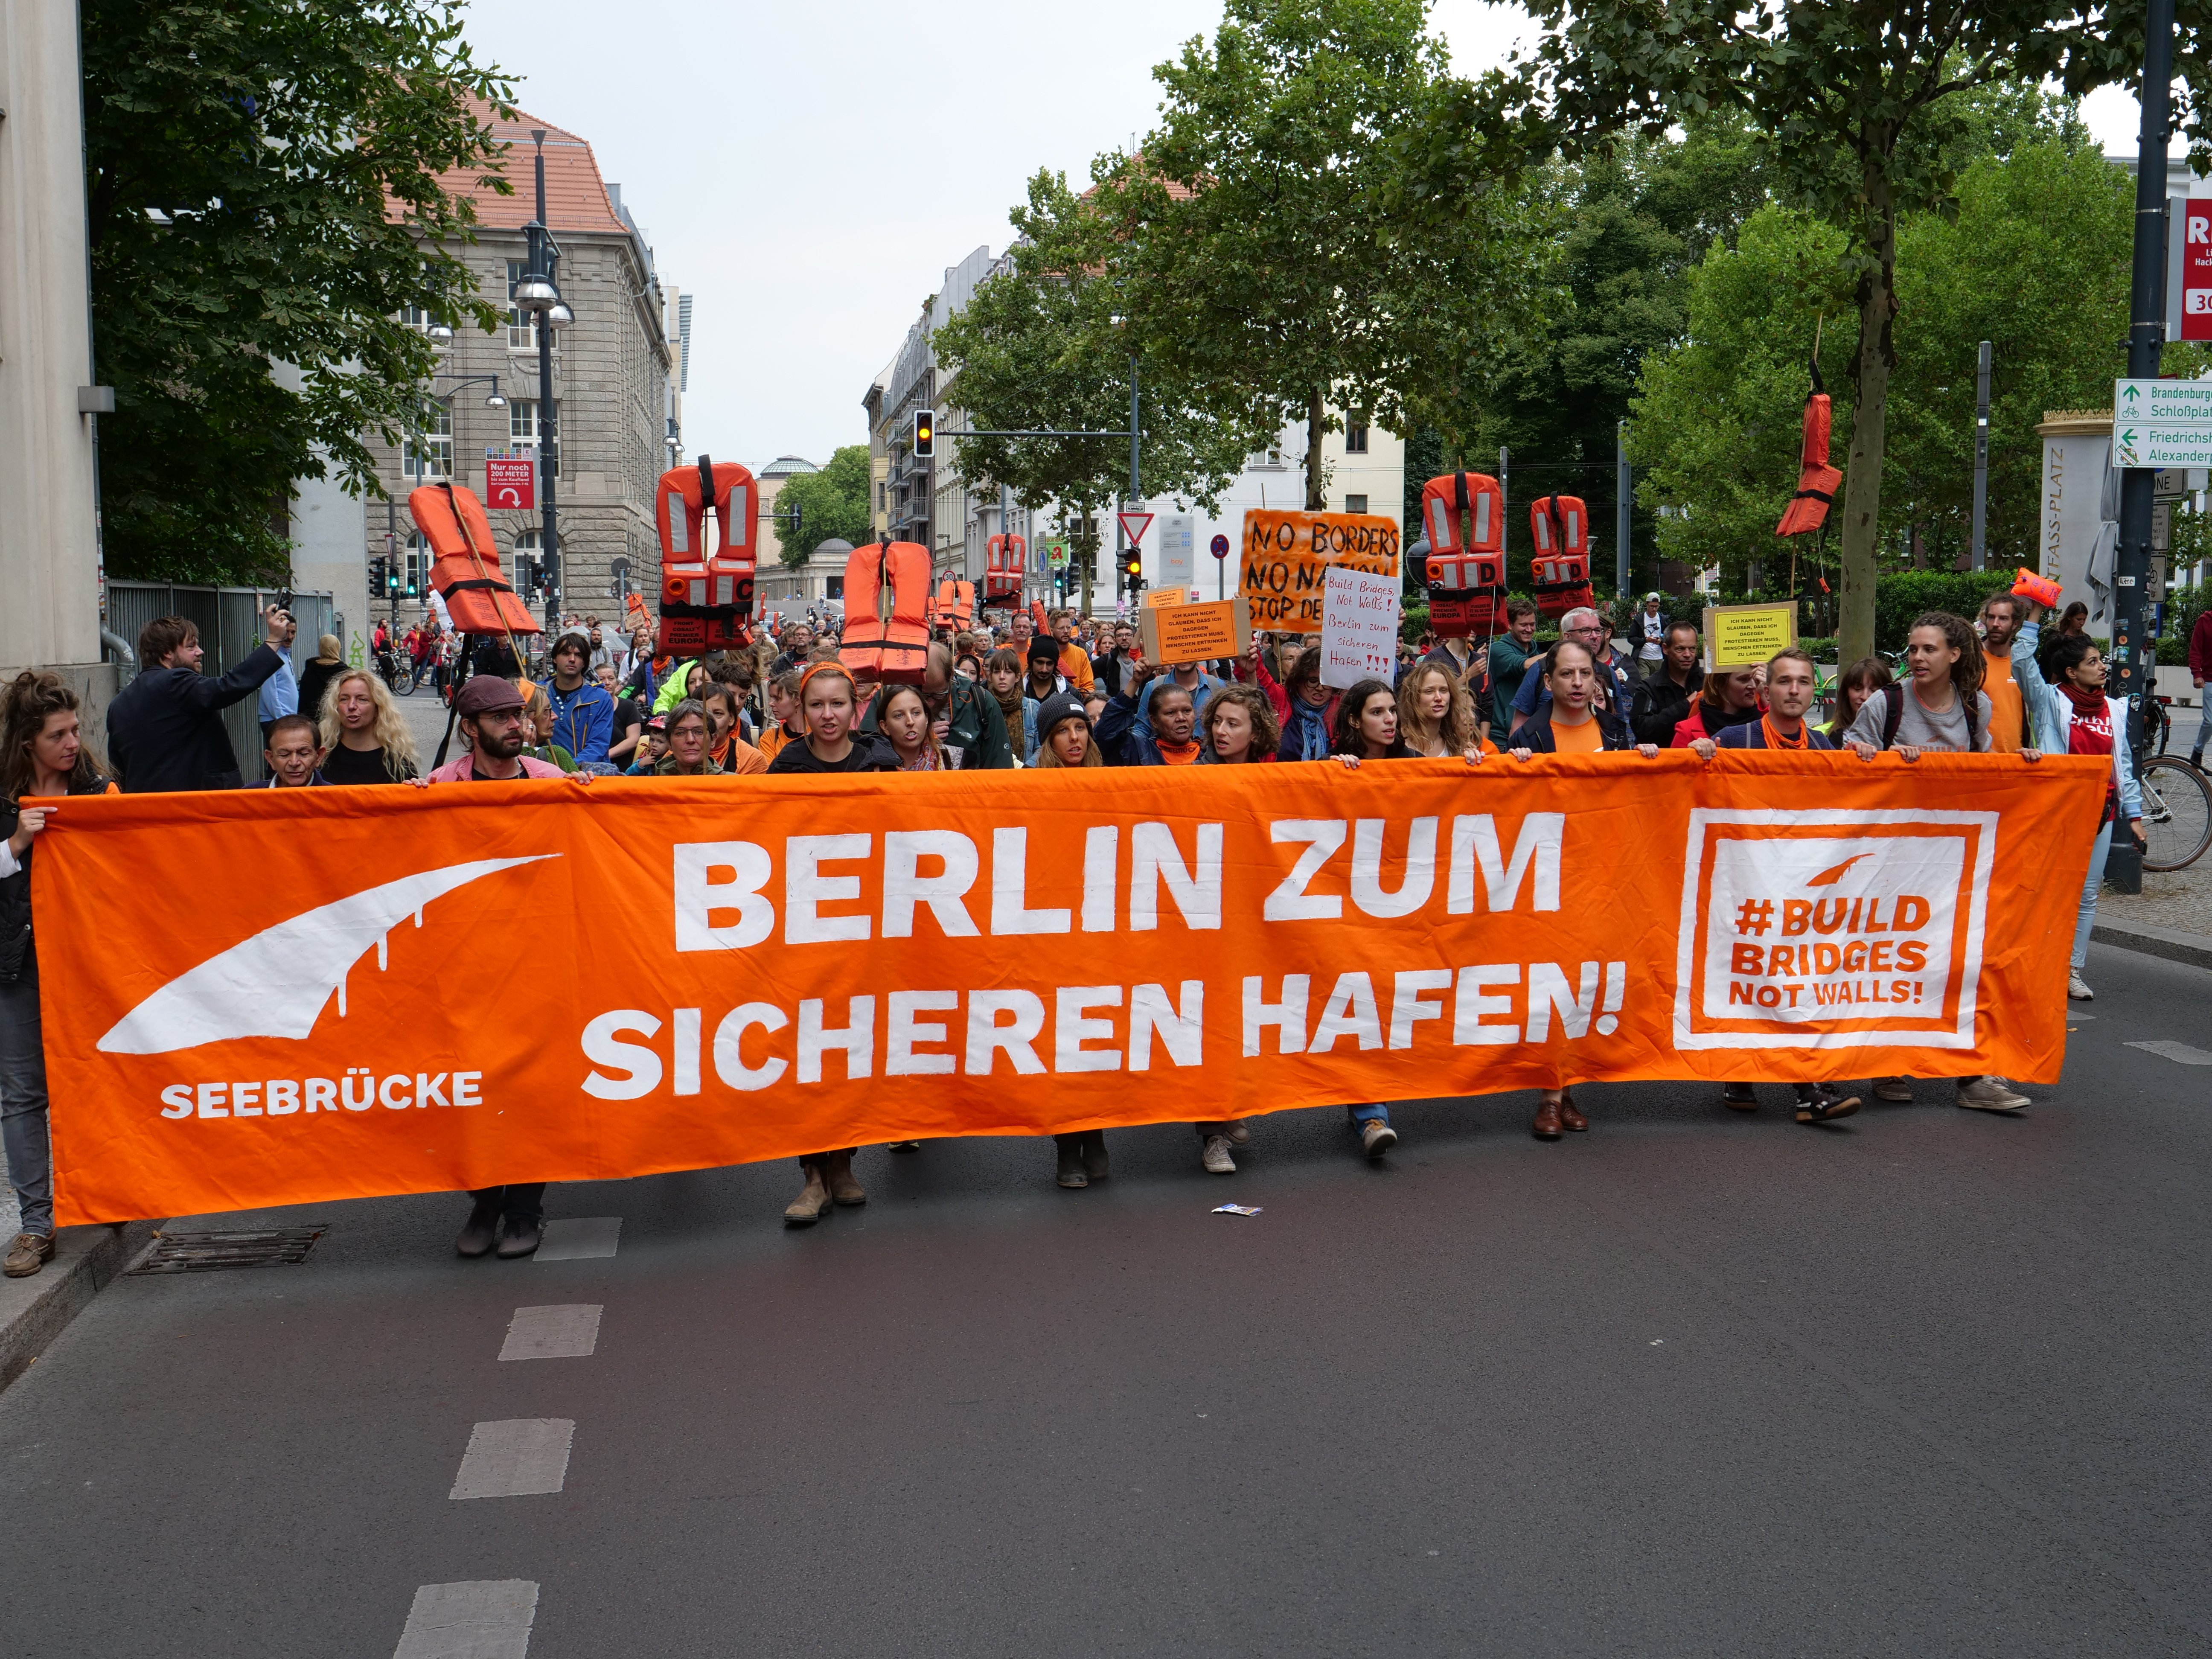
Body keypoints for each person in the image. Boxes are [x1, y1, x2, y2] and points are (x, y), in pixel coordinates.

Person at [1843, 611, 2033, 1114]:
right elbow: (1844, 758)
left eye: (1929, 650)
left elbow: (1985, 779)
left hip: (1951, 867)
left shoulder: (1977, 709)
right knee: (1888, 963)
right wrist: (1866, 754)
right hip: (1888, 863)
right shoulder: (1890, 702)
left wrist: (2026, 769)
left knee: (1957, 967)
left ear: (1955, 654)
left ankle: (1972, 1077)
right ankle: (1887, 1064)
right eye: (1912, 650)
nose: (1917, 658)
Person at [1686, 649, 1864, 1123]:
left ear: (1814, 691)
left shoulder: (1828, 750)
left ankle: (1809, 1087)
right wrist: (1696, 756)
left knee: (1796, 980)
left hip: (1805, 891)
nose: (1794, 691)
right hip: (1743, 885)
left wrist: (1875, 763)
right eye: (1784, 682)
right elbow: (1685, 789)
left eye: (1803, 682)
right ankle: (1744, 1070)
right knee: (1748, 975)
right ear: (1766, 692)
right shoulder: (1734, 739)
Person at [426, 677, 568, 1257]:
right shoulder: (437, 788)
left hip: (538, 959)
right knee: (473, 1088)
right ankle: (485, 1201)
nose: (517, 724)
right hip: (468, 964)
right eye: (502, 717)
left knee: (532, 1087)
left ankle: (525, 1210)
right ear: (470, 729)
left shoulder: (551, 782)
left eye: (520, 715)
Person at [1506, 640, 1661, 1138]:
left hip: (1604, 879)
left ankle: (1566, 1089)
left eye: (1584, 673)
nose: (1576, 682)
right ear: (1547, 682)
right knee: (1553, 985)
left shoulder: (1617, 734)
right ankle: (1552, 1097)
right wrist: (1517, 767)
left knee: (1585, 986)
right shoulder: (1530, 736)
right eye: (1566, 674)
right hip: (1549, 881)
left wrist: (1650, 761)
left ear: (1596, 680)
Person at [765, 664, 894, 1224]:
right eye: (816, 704)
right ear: (800, 710)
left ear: (855, 708)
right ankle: (813, 1176)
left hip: (865, 936)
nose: (827, 714)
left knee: (853, 1051)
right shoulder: (786, 767)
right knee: (808, 1055)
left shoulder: (880, 762)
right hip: (804, 933)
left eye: (837, 703)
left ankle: (844, 1163)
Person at [1, 673, 115, 1277]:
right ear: (28, 744)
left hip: (88, 966)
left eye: (76, 730)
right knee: (23, 1097)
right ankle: (36, 1227)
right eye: (59, 735)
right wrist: (16, 842)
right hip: (16, 967)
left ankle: (107, 1195)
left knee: (98, 1079)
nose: (74, 743)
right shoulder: (3, 799)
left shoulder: (99, 791)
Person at [2010, 608, 2139, 1003]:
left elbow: (2125, 766)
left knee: (2087, 894)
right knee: (2047, 890)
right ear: (2071, 672)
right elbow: (2021, 661)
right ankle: (2035, 962)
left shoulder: (2114, 710)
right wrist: (2033, 615)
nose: (2103, 667)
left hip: (2101, 813)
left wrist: (2134, 816)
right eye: (2093, 662)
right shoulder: (2050, 702)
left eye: (2101, 660)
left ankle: (2072, 970)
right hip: (2058, 812)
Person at [108, 607, 292, 792]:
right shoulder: (175, 681)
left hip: (145, 808)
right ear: (167, 653)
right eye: (191, 646)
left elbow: (118, 771)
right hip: (198, 806)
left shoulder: (118, 704)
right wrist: (274, 641)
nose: (200, 651)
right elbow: (227, 687)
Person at [1511, 607, 1631, 743]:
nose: (1595, 636)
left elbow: (1619, 727)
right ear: (1567, 637)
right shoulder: (1541, 669)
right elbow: (1519, 726)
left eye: (1598, 630)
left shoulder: (1609, 674)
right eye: (1586, 631)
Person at [313, 669, 421, 785]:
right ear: (336, 707)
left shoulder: (398, 766)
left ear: (377, 707)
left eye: (362, 699)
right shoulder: (321, 760)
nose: (351, 706)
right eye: (344, 699)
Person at [539, 630, 616, 768]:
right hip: (545, 776)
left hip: (588, 777)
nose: (572, 659)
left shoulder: (600, 698)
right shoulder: (539, 694)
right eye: (566, 654)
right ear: (555, 658)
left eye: (578, 655)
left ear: (584, 662)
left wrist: (568, 770)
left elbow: (598, 746)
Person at [1097, 667, 1202, 765]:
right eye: (1171, 713)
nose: (1181, 718)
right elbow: (1107, 734)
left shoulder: (1210, 752)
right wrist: (1134, 682)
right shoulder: (1139, 751)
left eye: (1187, 711)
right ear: (1154, 721)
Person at [1397, 661, 1490, 760]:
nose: (1438, 698)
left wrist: (1470, 762)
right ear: (1413, 697)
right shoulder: (1397, 744)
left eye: (1444, 691)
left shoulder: (1457, 746)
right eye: (1429, 691)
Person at [1632, 622, 1703, 745]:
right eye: (1680, 649)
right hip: (1665, 760)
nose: (1688, 655)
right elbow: (1642, 728)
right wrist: (1685, 705)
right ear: (1665, 649)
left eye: (1692, 649)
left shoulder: (1707, 683)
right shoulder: (1648, 687)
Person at [1976, 593, 2029, 753]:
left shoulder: (2023, 662)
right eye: (1991, 618)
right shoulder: (1972, 658)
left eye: (2003, 619)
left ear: (2015, 624)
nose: (1995, 624)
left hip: (2017, 757)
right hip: (1979, 758)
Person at [1669, 665, 1763, 748]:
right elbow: (1674, 767)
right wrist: (1693, 758)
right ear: (1719, 684)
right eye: (1744, 679)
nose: (1753, 686)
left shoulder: (1768, 724)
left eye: (1755, 679)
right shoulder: (1687, 731)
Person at [1273, 647, 1339, 762]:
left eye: (1326, 682)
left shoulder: (1342, 712)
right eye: (1313, 681)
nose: (1320, 688)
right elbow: (1260, 680)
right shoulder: (1282, 703)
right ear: (1299, 680)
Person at [1487, 600, 1541, 734]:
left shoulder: (1537, 652)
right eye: (1523, 625)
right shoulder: (1497, 649)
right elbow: (1524, 665)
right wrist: (1561, 651)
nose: (1529, 630)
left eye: (1532, 624)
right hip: (1502, 735)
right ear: (1510, 624)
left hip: (1532, 732)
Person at [255, 605, 300, 762]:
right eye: (286, 632)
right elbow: (270, 693)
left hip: (284, 719)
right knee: (278, 763)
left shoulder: (285, 655)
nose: (289, 636)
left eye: (293, 632)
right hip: (276, 720)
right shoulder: (274, 656)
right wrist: (283, 721)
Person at [1332, 679, 1419, 760]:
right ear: (1354, 721)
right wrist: (1333, 771)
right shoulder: (1333, 762)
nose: (1391, 719)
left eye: (1392, 710)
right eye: (1377, 712)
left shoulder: (1415, 761)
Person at [1197, 683, 1280, 765]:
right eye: (1217, 721)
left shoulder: (1262, 776)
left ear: (1256, 733)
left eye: (1232, 724)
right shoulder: (1191, 775)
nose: (1220, 731)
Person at [698, 683, 770, 774]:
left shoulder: (752, 760)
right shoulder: (678, 756)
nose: (710, 721)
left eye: (718, 714)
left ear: (731, 718)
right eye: (703, 714)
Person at [878, 683, 950, 771]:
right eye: (899, 716)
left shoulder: (951, 762)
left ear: (926, 719)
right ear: (885, 726)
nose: (910, 722)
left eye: (916, 713)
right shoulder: (873, 768)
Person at [982, 649, 1037, 761]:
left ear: (1017, 677)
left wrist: (1026, 768)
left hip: (1024, 774)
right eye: (997, 672)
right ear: (990, 676)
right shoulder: (982, 706)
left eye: (1008, 672)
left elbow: (1041, 747)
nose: (1002, 677)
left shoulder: (1032, 708)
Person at [1824, 657, 1894, 745]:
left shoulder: (1900, 736)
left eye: (1874, 690)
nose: (1865, 697)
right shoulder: (1831, 739)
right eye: (1858, 689)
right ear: (1847, 692)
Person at [252, 714, 330, 788]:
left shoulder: (336, 798)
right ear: (271, 759)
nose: (294, 763)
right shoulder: (250, 796)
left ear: (319, 756)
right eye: (284, 755)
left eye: (304, 754)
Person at [1030, 691, 1103, 769]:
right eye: (1063, 730)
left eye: (1080, 728)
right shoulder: (1035, 781)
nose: (1074, 737)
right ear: (1049, 740)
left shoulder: (1107, 779)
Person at [296, 634, 346, 729]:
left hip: (314, 724)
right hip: (339, 722)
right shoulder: (345, 673)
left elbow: (303, 701)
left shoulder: (309, 672)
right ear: (337, 648)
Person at [2191, 602, 2212, 767]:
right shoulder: (2205, 621)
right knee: (2210, 721)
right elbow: (2195, 649)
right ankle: (2198, 751)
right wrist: (2197, 674)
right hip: (2210, 679)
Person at [1021, 636, 1066, 704]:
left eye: (1049, 664)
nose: (1044, 670)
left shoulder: (1068, 691)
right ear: (1031, 662)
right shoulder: (1018, 692)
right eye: (1040, 662)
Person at [1627, 594, 1669, 665]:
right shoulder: (1639, 619)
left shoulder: (1663, 620)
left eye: (1656, 606)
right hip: (1643, 656)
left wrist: (1661, 641)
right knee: (1644, 676)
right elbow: (1631, 639)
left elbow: (1670, 638)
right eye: (1652, 606)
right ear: (1647, 605)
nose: (1654, 609)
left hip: (1659, 657)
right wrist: (1645, 640)